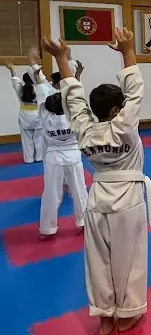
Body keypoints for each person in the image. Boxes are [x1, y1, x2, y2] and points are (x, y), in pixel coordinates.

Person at [42, 27, 151, 335]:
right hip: (127, 201)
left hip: (97, 200)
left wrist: (60, 59)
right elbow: (136, 91)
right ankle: (128, 311)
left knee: (97, 260)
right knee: (129, 259)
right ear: (117, 110)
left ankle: (105, 315)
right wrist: (128, 52)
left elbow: (72, 100)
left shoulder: (85, 131)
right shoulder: (124, 128)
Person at [30, 61, 88, 240]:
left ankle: (47, 229)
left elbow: (40, 95)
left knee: (51, 194)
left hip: (53, 158)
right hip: (73, 156)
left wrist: (36, 73)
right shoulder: (73, 117)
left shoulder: (45, 117)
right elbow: (78, 98)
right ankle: (84, 222)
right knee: (80, 191)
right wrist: (77, 76)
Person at [4, 58, 43, 163]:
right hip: (37, 117)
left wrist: (12, 69)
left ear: (24, 80)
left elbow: (15, 80)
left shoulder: (21, 89)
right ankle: (39, 156)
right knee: (38, 138)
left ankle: (29, 158)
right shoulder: (39, 88)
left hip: (25, 117)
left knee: (27, 140)